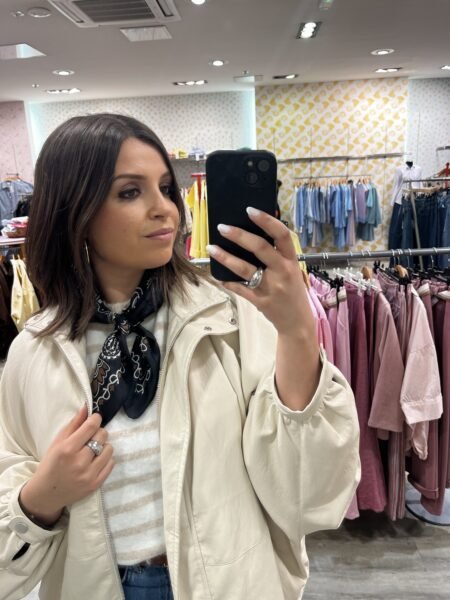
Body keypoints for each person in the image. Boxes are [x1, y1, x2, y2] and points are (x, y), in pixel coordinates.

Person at [0, 113, 360, 600]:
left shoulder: (229, 318)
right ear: (74, 209)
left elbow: (309, 498)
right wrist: (41, 498)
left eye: (166, 188)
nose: (165, 209)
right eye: (130, 192)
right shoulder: (35, 353)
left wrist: (297, 332)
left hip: (226, 584)